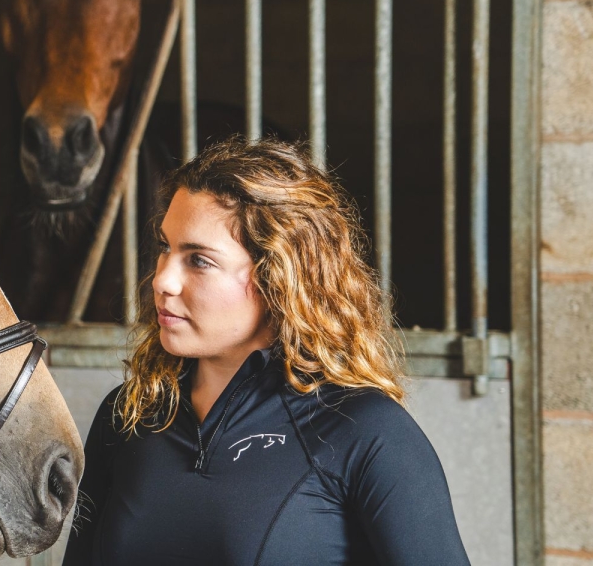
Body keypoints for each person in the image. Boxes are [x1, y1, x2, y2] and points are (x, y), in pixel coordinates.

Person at [62, 138, 470, 565]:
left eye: (199, 260)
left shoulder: (364, 431)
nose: (163, 279)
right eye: (166, 247)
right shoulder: (128, 415)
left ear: (280, 276)